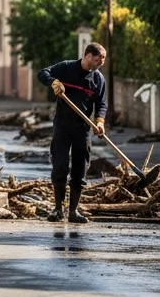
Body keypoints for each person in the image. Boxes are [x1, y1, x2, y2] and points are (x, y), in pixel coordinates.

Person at [37, 43, 108, 224]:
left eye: (104, 58)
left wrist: (99, 122)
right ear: (88, 56)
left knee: (80, 170)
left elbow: (101, 104)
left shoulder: (98, 80)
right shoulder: (66, 68)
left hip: (82, 128)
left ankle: (73, 211)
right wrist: (54, 82)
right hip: (62, 125)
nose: (102, 62)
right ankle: (58, 209)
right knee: (60, 166)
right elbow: (42, 73)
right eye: (99, 58)